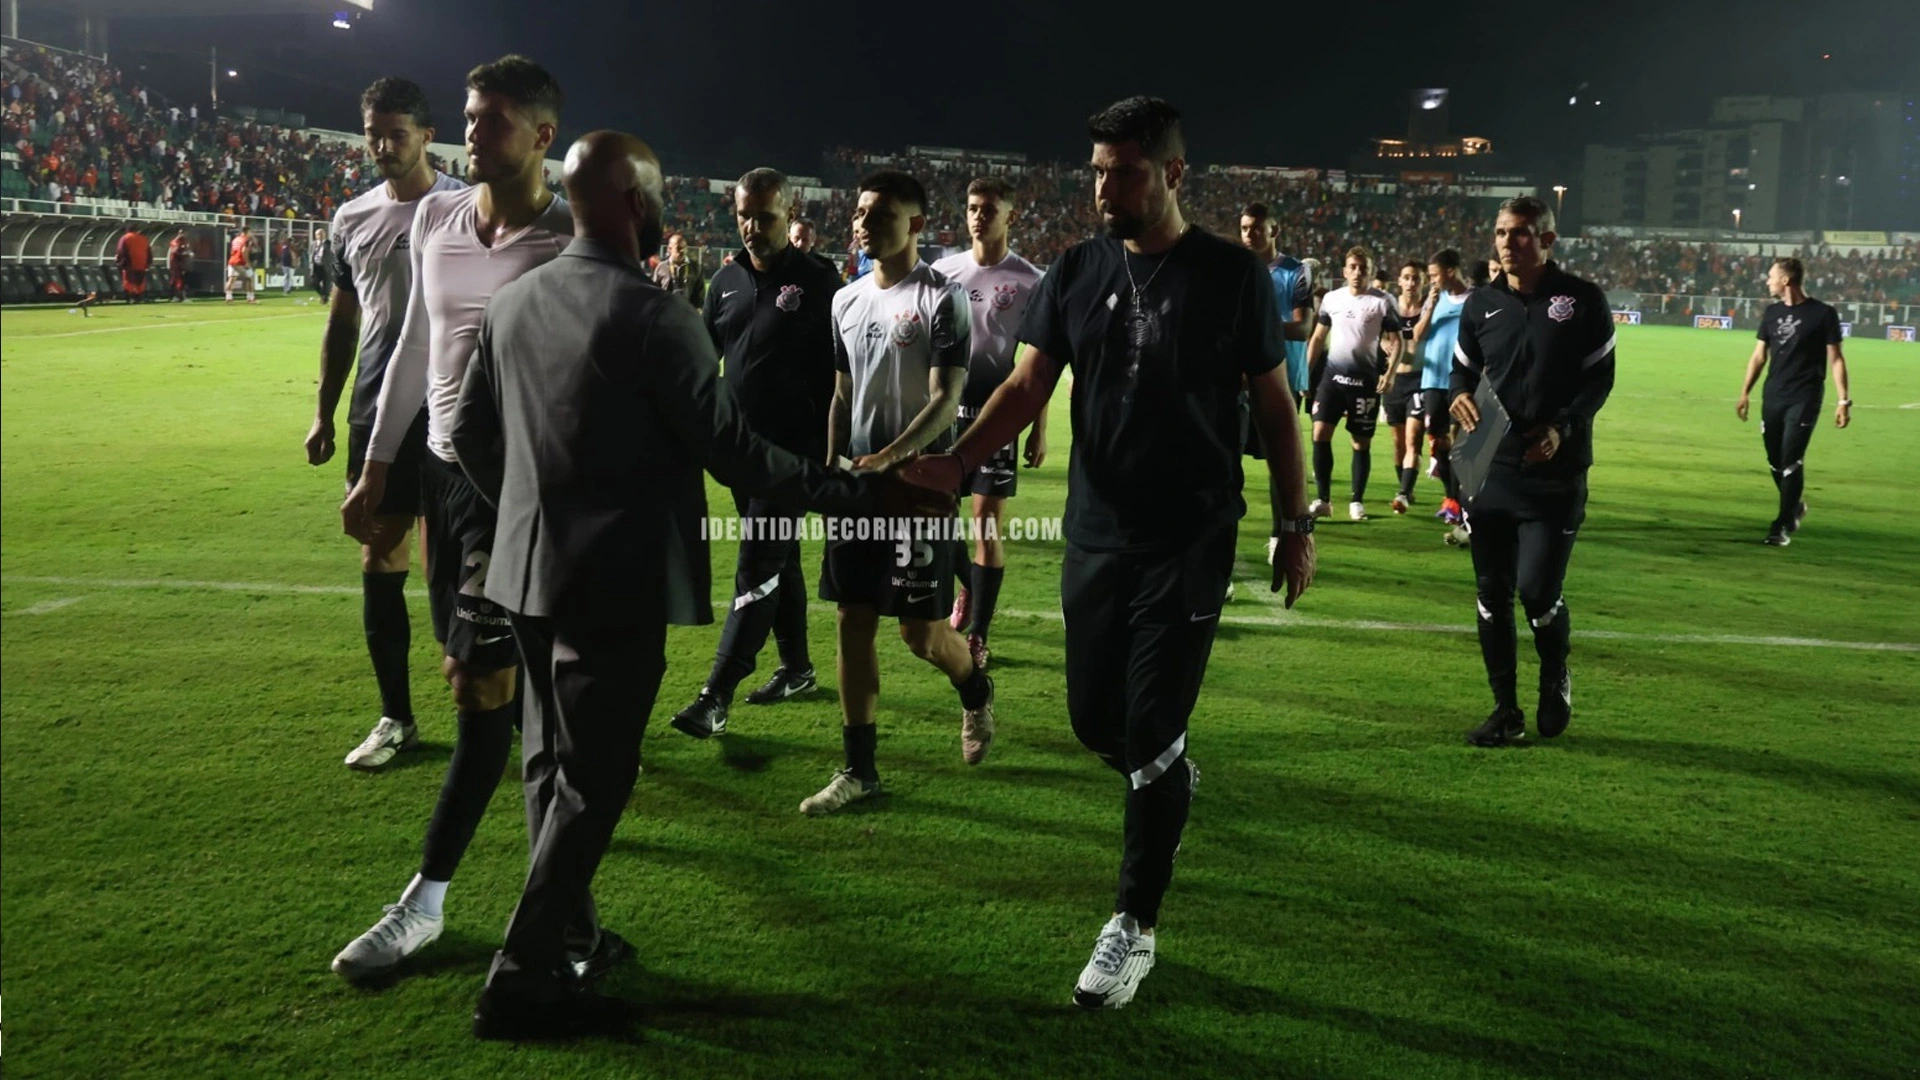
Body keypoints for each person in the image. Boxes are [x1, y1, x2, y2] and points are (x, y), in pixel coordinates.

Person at [449, 130, 946, 1041]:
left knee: (548, 766)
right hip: (614, 581)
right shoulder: (655, 314)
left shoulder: (513, 301)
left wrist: (528, 516)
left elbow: (471, 439)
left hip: (523, 573)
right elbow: (736, 454)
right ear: (639, 205)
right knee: (593, 779)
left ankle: (576, 937)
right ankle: (522, 977)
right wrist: (855, 488)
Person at [902, 96, 1315, 1011]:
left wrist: (1296, 522)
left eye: (1123, 171)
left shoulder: (1233, 276)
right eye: (1096, 170)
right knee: (1098, 721)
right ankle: (1163, 773)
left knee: (1152, 732)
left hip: (1191, 537)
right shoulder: (1080, 270)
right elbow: (1027, 381)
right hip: (1097, 532)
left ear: (1172, 174)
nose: (1103, 187)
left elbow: (1277, 409)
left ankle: (1133, 925)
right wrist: (961, 461)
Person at [332, 55, 577, 982]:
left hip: (522, 491)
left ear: (542, 137)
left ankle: (424, 905)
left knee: (480, 690)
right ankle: (573, 911)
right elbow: (413, 350)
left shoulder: (567, 235)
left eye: (494, 121)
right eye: (470, 118)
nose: (472, 133)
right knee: (502, 695)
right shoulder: (435, 217)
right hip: (442, 480)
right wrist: (380, 464)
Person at [803, 168, 995, 814]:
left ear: (915, 225)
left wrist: (888, 458)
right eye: (860, 212)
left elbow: (947, 401)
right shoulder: (845, 299)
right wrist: (832, 467)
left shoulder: (943, 297)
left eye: (880, 214)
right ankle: (860, 770)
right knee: (852, 621)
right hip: (857, 492)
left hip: (916, 491)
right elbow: (840, 393)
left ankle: (973, 686)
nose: (863, 223)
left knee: (922, 637)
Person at [306, 76, 466, 772]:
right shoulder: (352, 218)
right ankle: (396, 717)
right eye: (373, 132)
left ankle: (507, 708)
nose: (382, 145)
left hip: (460, 403)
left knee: (468, 566)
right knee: (380, 553)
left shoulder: (466, 206)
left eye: (396, 133)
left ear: (428, 136)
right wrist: (323, 411)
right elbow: (343, 324)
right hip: (379, 404)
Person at [669, 167, 844, 738]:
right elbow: (703, 362)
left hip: (791, 457)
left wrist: (831, 450)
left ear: (789, 215)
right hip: (738, 454)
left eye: (764, 216)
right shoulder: (725, 283)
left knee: (758, 563)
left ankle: (715, 695)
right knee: (781, 560)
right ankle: (797, 667)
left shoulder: (820, 281)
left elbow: (844, 375)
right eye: (743, 214)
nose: (751, 226)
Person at [1450, 196, 1615, 748]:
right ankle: (1504, 709)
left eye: (1519, 233)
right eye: (1500, 231)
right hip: (1487, 465)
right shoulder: (1481, 303)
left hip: (1554, 471)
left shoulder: (1583, 300)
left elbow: (1600, 381)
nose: (1506, 241)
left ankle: (1555, 674)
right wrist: (1457, 399)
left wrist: (1562, 427)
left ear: (1547, 239)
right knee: (1490, 591)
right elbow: (1463, 371)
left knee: (1537, 590)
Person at [931, 176, 1045, 669]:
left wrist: (1037, 428)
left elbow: (1038, 365)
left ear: (1010, 217)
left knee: (985, 525)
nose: (978, 215)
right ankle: (968, 588)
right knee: (937, 517)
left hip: (994, 418)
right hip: (941, 415)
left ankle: (978, 634)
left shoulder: (1029, 281)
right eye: (973, 207)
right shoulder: (942, 272)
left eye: (989, 209)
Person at [1736, 257, 1851, 546]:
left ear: (1786, 280)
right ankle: (1795, 506)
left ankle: (1781, 525)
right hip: (1773, 395)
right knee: (1775, 461)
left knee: (1790, 461)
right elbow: (1759, 356)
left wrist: (1843, 400)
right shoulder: (1772, 313)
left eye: (1771, 276)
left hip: (1805, 397)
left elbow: (1835, 358)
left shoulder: (1823, 314)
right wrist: (1745, 392)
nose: (1767, 281)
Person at [1305, 246, 1401, 521]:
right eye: (1353, 267)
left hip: (1364, 382)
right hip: (1332, 380)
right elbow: (1318, 338)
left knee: (1361, 442)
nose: (1358, 272)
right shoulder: (1332, 300)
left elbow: (1397, 341)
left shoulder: (1383, 301)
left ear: (1370, 271)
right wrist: (1305, 373)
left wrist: (1390, 373)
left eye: (1363, 268)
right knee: (1320, 432)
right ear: (1345, 271)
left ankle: (1357, 500)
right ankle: (1323, 500)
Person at [1406, 249, 1470, 529]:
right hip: (1432, 380)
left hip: (1462, 381)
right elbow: (1417, 337)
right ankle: (1451, 497)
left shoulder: (1475, 300)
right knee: (1437, 439)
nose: (1431, 281)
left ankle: (1460, 501)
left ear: (1451, 271)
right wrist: (1430, 306)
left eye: (1434, 275)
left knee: (1460, 443)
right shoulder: (1436, 299)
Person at [1237, 203, 1312, 412]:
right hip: (1243, 376)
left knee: (1276, 446)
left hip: (1284, 377)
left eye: (1257, 228)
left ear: (1275, 231)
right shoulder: (1235, 271)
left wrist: (1255, 329)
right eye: (1244, 229)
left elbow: (1303, 329)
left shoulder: (1296, 271)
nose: (1249, 234)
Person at [1382, 261, 1426, 513]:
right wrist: (1382, 344)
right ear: (1399, 281)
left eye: (1416, 279)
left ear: (1423, 282)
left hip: (1419, 380)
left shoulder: (1428, 309)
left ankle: (1403, 493)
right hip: (1394, 380)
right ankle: (1406, 487)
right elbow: (1377, 334)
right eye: (1407, 278)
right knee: (1398, 442)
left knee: (1412, 439)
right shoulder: (1390, 307)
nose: (1411, 283)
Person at [652, 232, 706, 307]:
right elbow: (654, 292)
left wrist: (698, 309)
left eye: (684, 247)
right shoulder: (661, 267)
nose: (682, 251)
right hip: (666, 312)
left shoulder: (696, 267)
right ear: (669, 249)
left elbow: (700, 293)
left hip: (687, 313)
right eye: (678, 248)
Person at [115, 224, 151, 303]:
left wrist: (120, 262)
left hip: (130, 263)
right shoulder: (143, 238)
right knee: (140, 281)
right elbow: (149, 252)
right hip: (142, 263)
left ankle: (131, 297)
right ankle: (140, 297)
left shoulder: (125, 238)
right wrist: (148, 263)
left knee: (129, 281)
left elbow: (121, 251)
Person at [225, 226, 256, 304]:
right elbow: (244, 251)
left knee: (231, 280)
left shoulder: (235, 239)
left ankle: (228, 298)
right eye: (250, 232)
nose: (251, 234)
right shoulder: (246, 240)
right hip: (240, 262)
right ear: (246, 232)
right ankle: (250, 298)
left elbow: (231, 251)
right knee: (250, 278)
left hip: (232, 261)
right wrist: (247, 263)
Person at [166, 231, 191, 302]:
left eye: (184, 233)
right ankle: (174, 296)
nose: (183, 234)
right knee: (176, 279)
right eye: (181, 233)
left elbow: (186, 250)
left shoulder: (185, 242)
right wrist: (184, 254)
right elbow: (175, 251)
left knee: (182, 279)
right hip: (175, 264)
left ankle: (181, 296)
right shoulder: (175, 241)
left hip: (182, 263)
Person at [310, 227, 334, 300]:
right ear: (315, 235)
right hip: (316, 266)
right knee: (314, 282)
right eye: (318, 234)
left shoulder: (329, 243)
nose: (320, 236)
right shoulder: (313, 244)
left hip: (326, 266)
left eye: (321, 234)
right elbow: (312, 253)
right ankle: (323, 295)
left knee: (326, 284)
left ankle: (325, 298)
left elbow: (333, 254)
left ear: (324, 235)